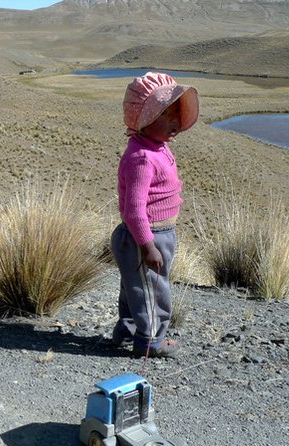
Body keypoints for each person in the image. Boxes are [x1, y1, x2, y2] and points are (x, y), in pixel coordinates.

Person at [110, 72, 199, 358]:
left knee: (135, 287)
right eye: (166, 113)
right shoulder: (142, 158)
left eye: (177, 113)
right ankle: (150, 340)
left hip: (159, 235)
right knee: (153, 290)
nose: (175, 121)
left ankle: (126, 331)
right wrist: (148, 245)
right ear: (145, 118)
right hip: (144, 237)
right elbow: (135, 210)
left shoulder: (157, 149)